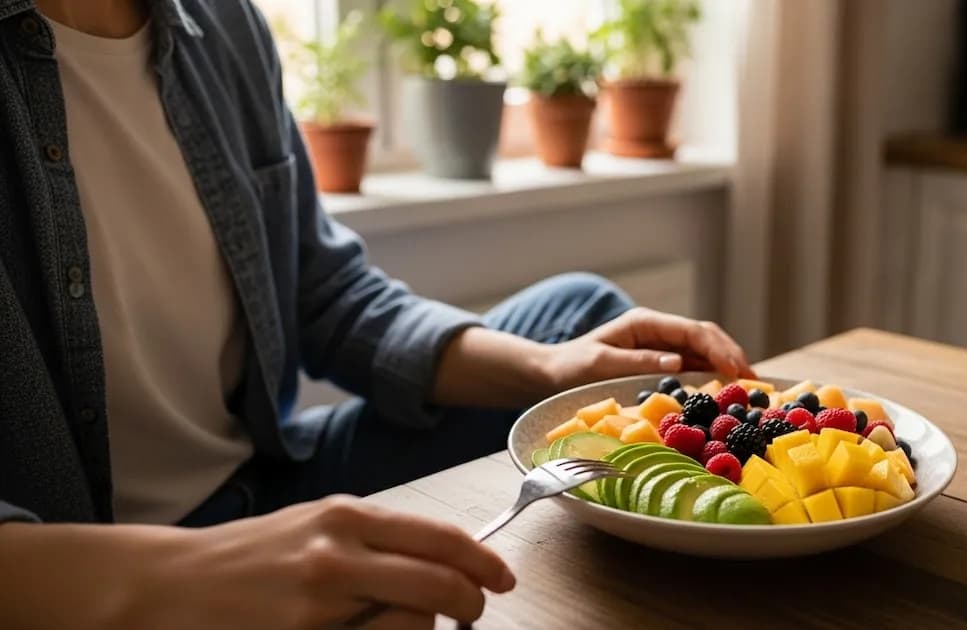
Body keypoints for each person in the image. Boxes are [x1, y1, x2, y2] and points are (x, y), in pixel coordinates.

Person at [0, 0, 755, 627]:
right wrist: (189, 578)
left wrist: (552, 366)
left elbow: (327, 296)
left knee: (578, 313)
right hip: (85, 557)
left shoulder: (222, 25)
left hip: (262, 479)